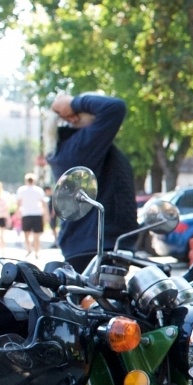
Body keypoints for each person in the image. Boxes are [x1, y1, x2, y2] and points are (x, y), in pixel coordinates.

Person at [47, 92, 135, 273]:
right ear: (76, 117)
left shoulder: (77, 146)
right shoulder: (81, 146)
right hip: (94, 248)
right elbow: (115, 107)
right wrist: (73, 103)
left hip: (95, 246)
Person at [15, 172, 48, 260]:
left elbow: (18, 203)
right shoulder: (38, 190)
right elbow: (43, 203)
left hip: (26, 214)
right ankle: (37, 251)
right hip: (37, 213)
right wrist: (46, 214)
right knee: (36, 235)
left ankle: (28, 249)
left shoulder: (21, 190)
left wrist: (17, 212)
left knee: (26, 234)